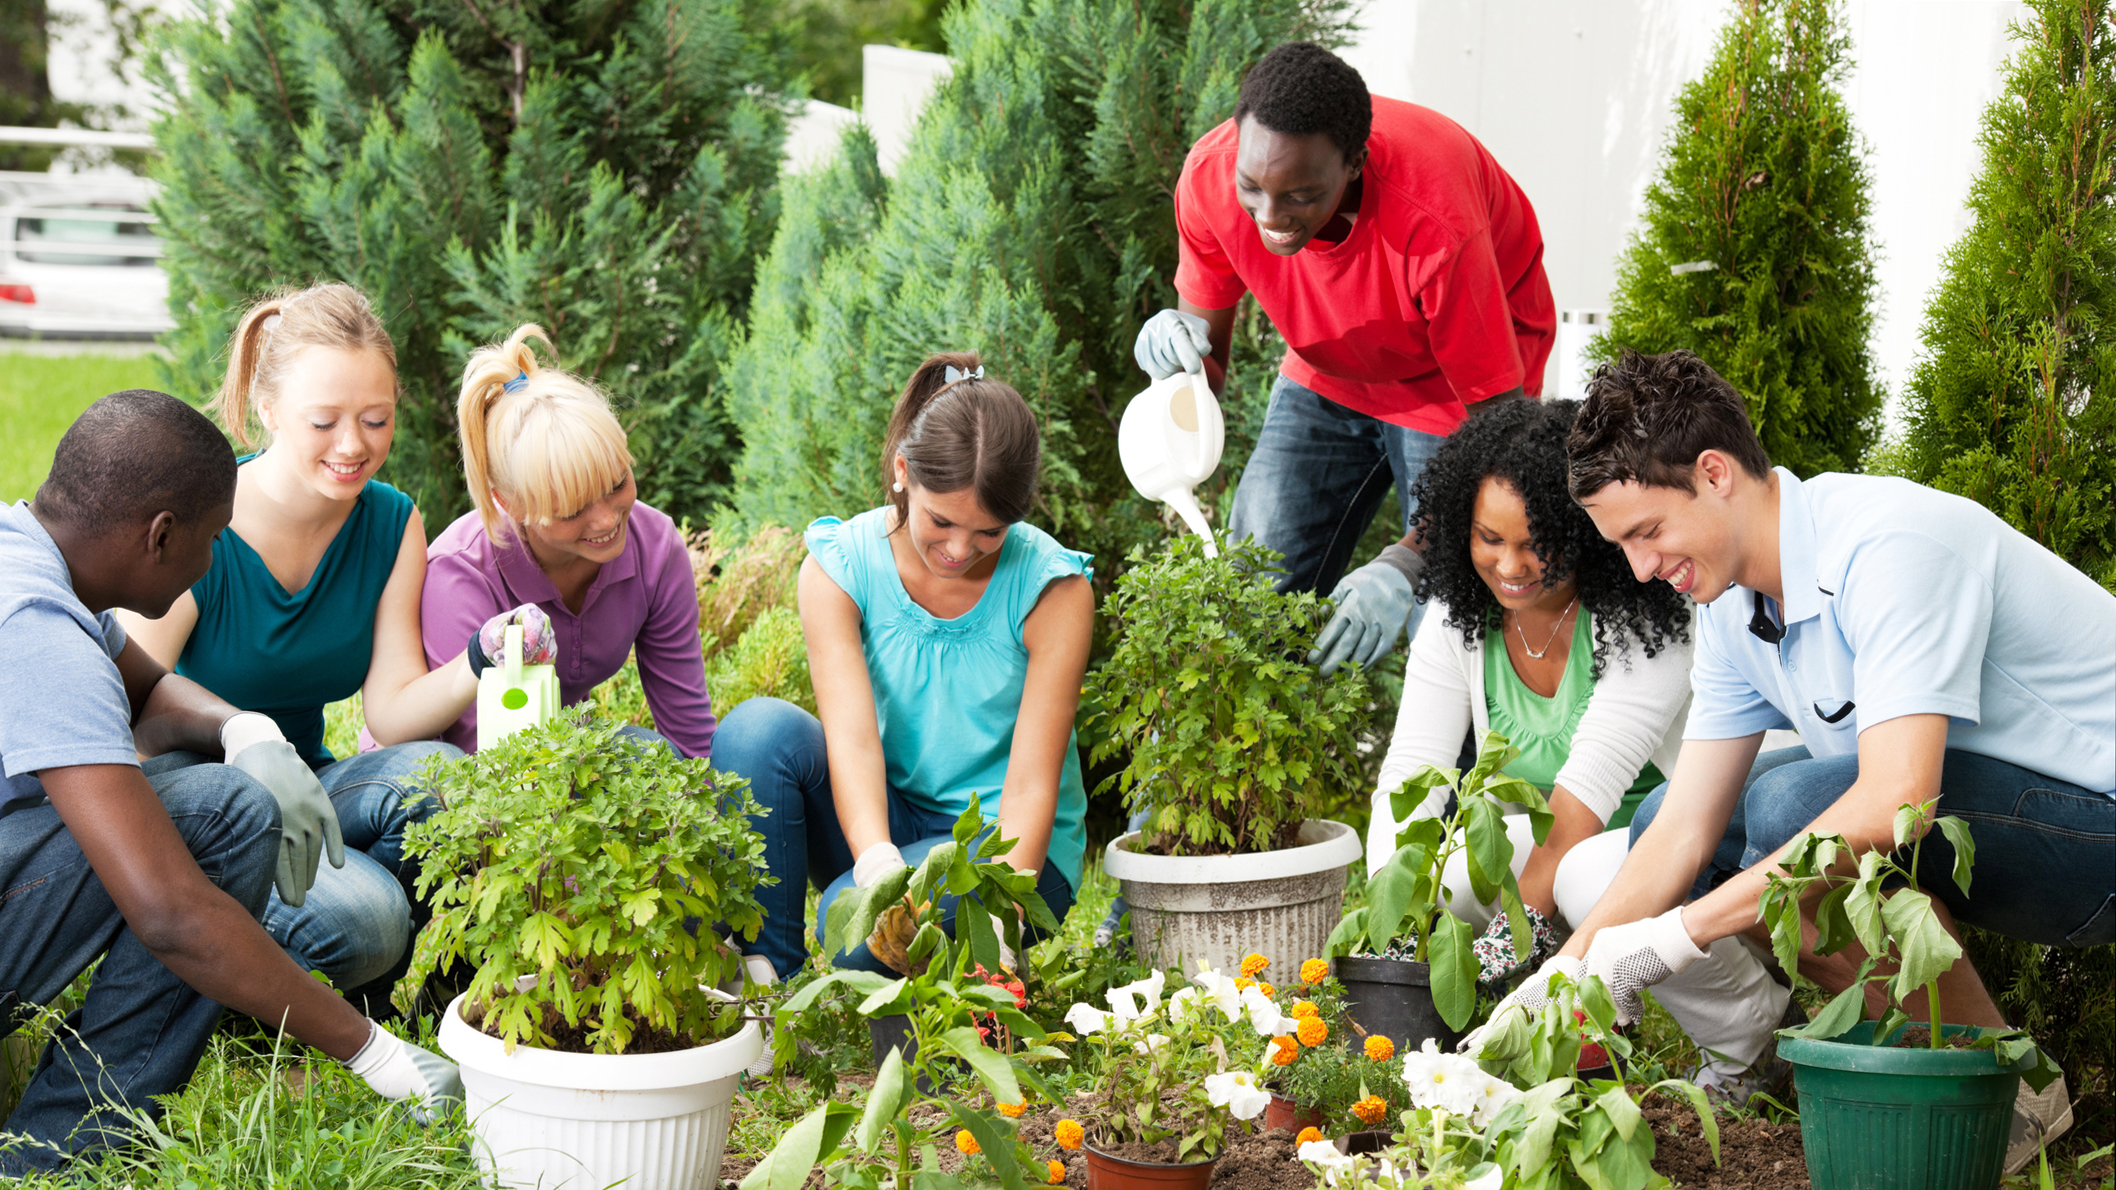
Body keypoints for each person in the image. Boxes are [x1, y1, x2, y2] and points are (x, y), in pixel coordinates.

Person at [1494, 349, 2113, 1171]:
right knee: (1663, 822)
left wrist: (1679, 934)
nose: (1642, 569)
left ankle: (1996, 1079)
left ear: (1715, 473)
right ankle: (1998, 1088)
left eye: (1647, 533)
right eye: (1624, 547)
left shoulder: (1891, 546)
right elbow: (1683, 827)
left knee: (1796, 812)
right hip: (2009, 820)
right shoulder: (1727, 605)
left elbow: (1898, 797)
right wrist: (1563, 980)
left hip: (2096, 830)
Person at [0, 391, 457, 1175]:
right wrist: (374, 1053)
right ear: (161, 535)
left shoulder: (27, 555)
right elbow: (171, 914)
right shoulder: (39, 634)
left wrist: (245, 730)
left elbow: (144, 687)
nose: (212, 564)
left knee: (224, 796)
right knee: (223, 816)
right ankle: (54, 1153)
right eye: (211, 541)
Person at [118, 284, 540, 1014]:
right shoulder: (199, 525)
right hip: (196, 802)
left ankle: (375, 981)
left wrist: (479, 657)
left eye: (375, 420)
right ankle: (252, 987)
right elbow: (124, 716)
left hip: (306, 785)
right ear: (269, 409)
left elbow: (392, 709)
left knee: (448, 782)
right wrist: (241, 749)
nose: (353, 446)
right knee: (369, 920)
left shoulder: (390, 522)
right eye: (325, 421)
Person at [1368, 396, 1794, 1095]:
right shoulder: (1457, 620)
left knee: (1585, 873)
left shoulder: (1647, 617)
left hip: (1712, 848)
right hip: (1580, 851)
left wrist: (1512, 969)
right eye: (1489, 538)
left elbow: (1575, 820)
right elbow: (1411, 778)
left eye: (1539, 542)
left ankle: (1752, 1037)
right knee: (1444, 868)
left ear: (1587, 530)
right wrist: (1393, 933)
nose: (1511, 566)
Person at [1132, 40, 1554, 675]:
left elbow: (1500, 441)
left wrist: (1407, 564)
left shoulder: (1433, 217)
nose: (1269, 216)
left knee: (1454, 625)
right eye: (1253, 186)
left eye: (1300, 195)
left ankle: (1459, 775)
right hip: (1328, 367)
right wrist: (1173, 360)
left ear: (1355, 163)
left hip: (1457, 383)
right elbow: (1203, 369)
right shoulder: (1211, 178)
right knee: (1246, 593)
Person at [713, 353, 1093, 985]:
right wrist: (878, 863)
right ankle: (766, 981)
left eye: (990, 532)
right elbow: (853, 741)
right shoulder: (840, 568)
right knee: (757, 734)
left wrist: (998, 915)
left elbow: (1030, 788)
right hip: (888, 817)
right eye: (941, 521)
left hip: (1011, 848)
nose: (959, 550)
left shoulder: (1052, 589)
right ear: (902, 473)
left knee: (855, 925)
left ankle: (976, 936)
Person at [416, 324, 715, 760]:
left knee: (643, 752)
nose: (608, 518)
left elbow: (689, 734)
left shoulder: (655, 547)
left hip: (556, 763)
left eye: (616, 483)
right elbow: (486, 765)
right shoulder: (461, 573)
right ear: (509, 504)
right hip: (443, 787)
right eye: (573, 510)